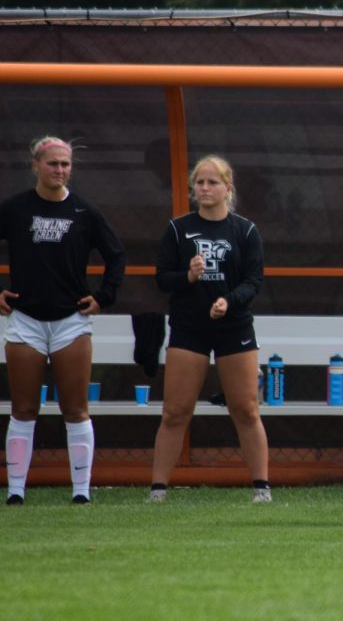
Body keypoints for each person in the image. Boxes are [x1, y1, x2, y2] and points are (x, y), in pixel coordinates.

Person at [2, 136, 126, 505]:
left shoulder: (85, 212)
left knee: (75, 408)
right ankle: (15, 491)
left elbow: (116, 256)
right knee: (24, 409)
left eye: (66, 164)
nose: (59, 170)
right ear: (35, 165)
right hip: (25, 320)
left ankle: (81, 491)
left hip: (71, 322)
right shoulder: (15, 209)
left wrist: (103, 297)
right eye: (52, 163)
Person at [148, 156, 267, 503]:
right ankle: (158, 489)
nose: (204, 188)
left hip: (234, 326)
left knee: (245, 408)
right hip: (189, 328)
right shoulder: (177, 229)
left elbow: (254, 280)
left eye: (212, 182)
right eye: (199, 183)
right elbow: (162, 278)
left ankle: (261, 487)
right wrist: (188, 277)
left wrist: (229, 301)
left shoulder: (244, 230)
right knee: (175, 410)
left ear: (228, 188)